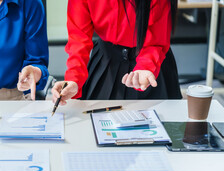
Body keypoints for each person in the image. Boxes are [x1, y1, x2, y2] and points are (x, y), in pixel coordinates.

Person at [52, 0, 182, 104]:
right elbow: (78, 39)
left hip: (152, 66)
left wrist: (146, 67)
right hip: (106, 62)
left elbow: (155, 40)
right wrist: (74, 79)